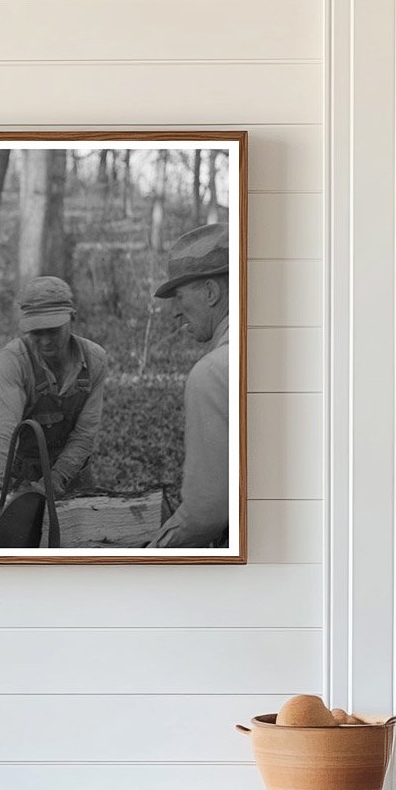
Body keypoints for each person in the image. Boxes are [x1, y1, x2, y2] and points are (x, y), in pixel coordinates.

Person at [0, 276, 107, 499]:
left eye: (53, 331)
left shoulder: (94, 360)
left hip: (72, 471)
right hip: (19, 470)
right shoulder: (14, 359)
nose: (45, 341)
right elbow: (3, 428)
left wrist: (58, 476)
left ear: (72, 317)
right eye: (36, 332)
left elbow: (84, 433)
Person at [148, 223, 230, 547]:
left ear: (211, 293)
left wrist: (155, 552)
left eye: (180, 296)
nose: (175, 313)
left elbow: (204, 513)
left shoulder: (212, 373)